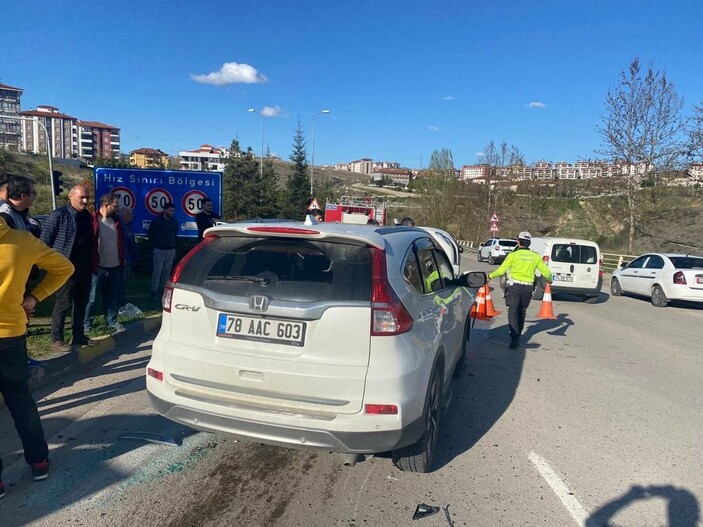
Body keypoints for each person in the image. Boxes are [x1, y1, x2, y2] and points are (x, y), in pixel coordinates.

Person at [0, 216, 74, 495]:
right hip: (11, 336)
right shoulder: (23, 241)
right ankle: (39, 461)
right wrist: (34, 297)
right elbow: (65, 268)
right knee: (21, 402)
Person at [40, 185, 96, 350]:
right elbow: (44, 242)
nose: (85, 201)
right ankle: (56, 339)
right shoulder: (59, 215)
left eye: (87, 198)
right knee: (63, 303)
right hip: (65, 269)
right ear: (71, 197)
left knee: (81, 302)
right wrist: (53, 264)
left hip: (84, 268)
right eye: (82, 198)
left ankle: (78, 336)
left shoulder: (87, 216)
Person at [487, 231, 553, 349]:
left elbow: (501, 270)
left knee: (512, 311)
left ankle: (514, 336)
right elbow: (546, 272)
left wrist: (490, 276)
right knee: (522, 311)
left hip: (514, 287)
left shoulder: (513, 255)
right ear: (530, 243)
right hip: (527, 288)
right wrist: (549, 280)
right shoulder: (535, 256)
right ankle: (518, 334)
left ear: (518, 242)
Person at [84, 194, 125, 334]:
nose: (118, 208)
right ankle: (87, 324)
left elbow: (121, 242)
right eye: (115, 205)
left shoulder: (117, 222)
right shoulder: (93, 221)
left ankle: (112, 321)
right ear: (106, 205)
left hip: (115, 266)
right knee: (91, 298)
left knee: (112, 297)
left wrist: (122, 259)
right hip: (98, 267)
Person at [147, 202, 178, 301]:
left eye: (173, 211)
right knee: (157, 271)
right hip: (159, 250)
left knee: (166, 272)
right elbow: (150, 234)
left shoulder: (174, 222)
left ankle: (163, 291)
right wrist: (156, 244)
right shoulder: (157, 222)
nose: (172, 212)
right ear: (165, 210)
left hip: (170, 250)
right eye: (170, 210)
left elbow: (175, 233)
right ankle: (153, 291)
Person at [117, 206, 138, 308]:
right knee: (120, 279)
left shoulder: (129, 225)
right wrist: (123, 257)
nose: (132, 216)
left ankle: (122, 297)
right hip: (123, 257)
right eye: (129, 214)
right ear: (124, 215)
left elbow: (131, 242)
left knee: (125, 279)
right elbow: (121, 243)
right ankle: (118, 299)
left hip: (130, 256)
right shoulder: (120, 226)